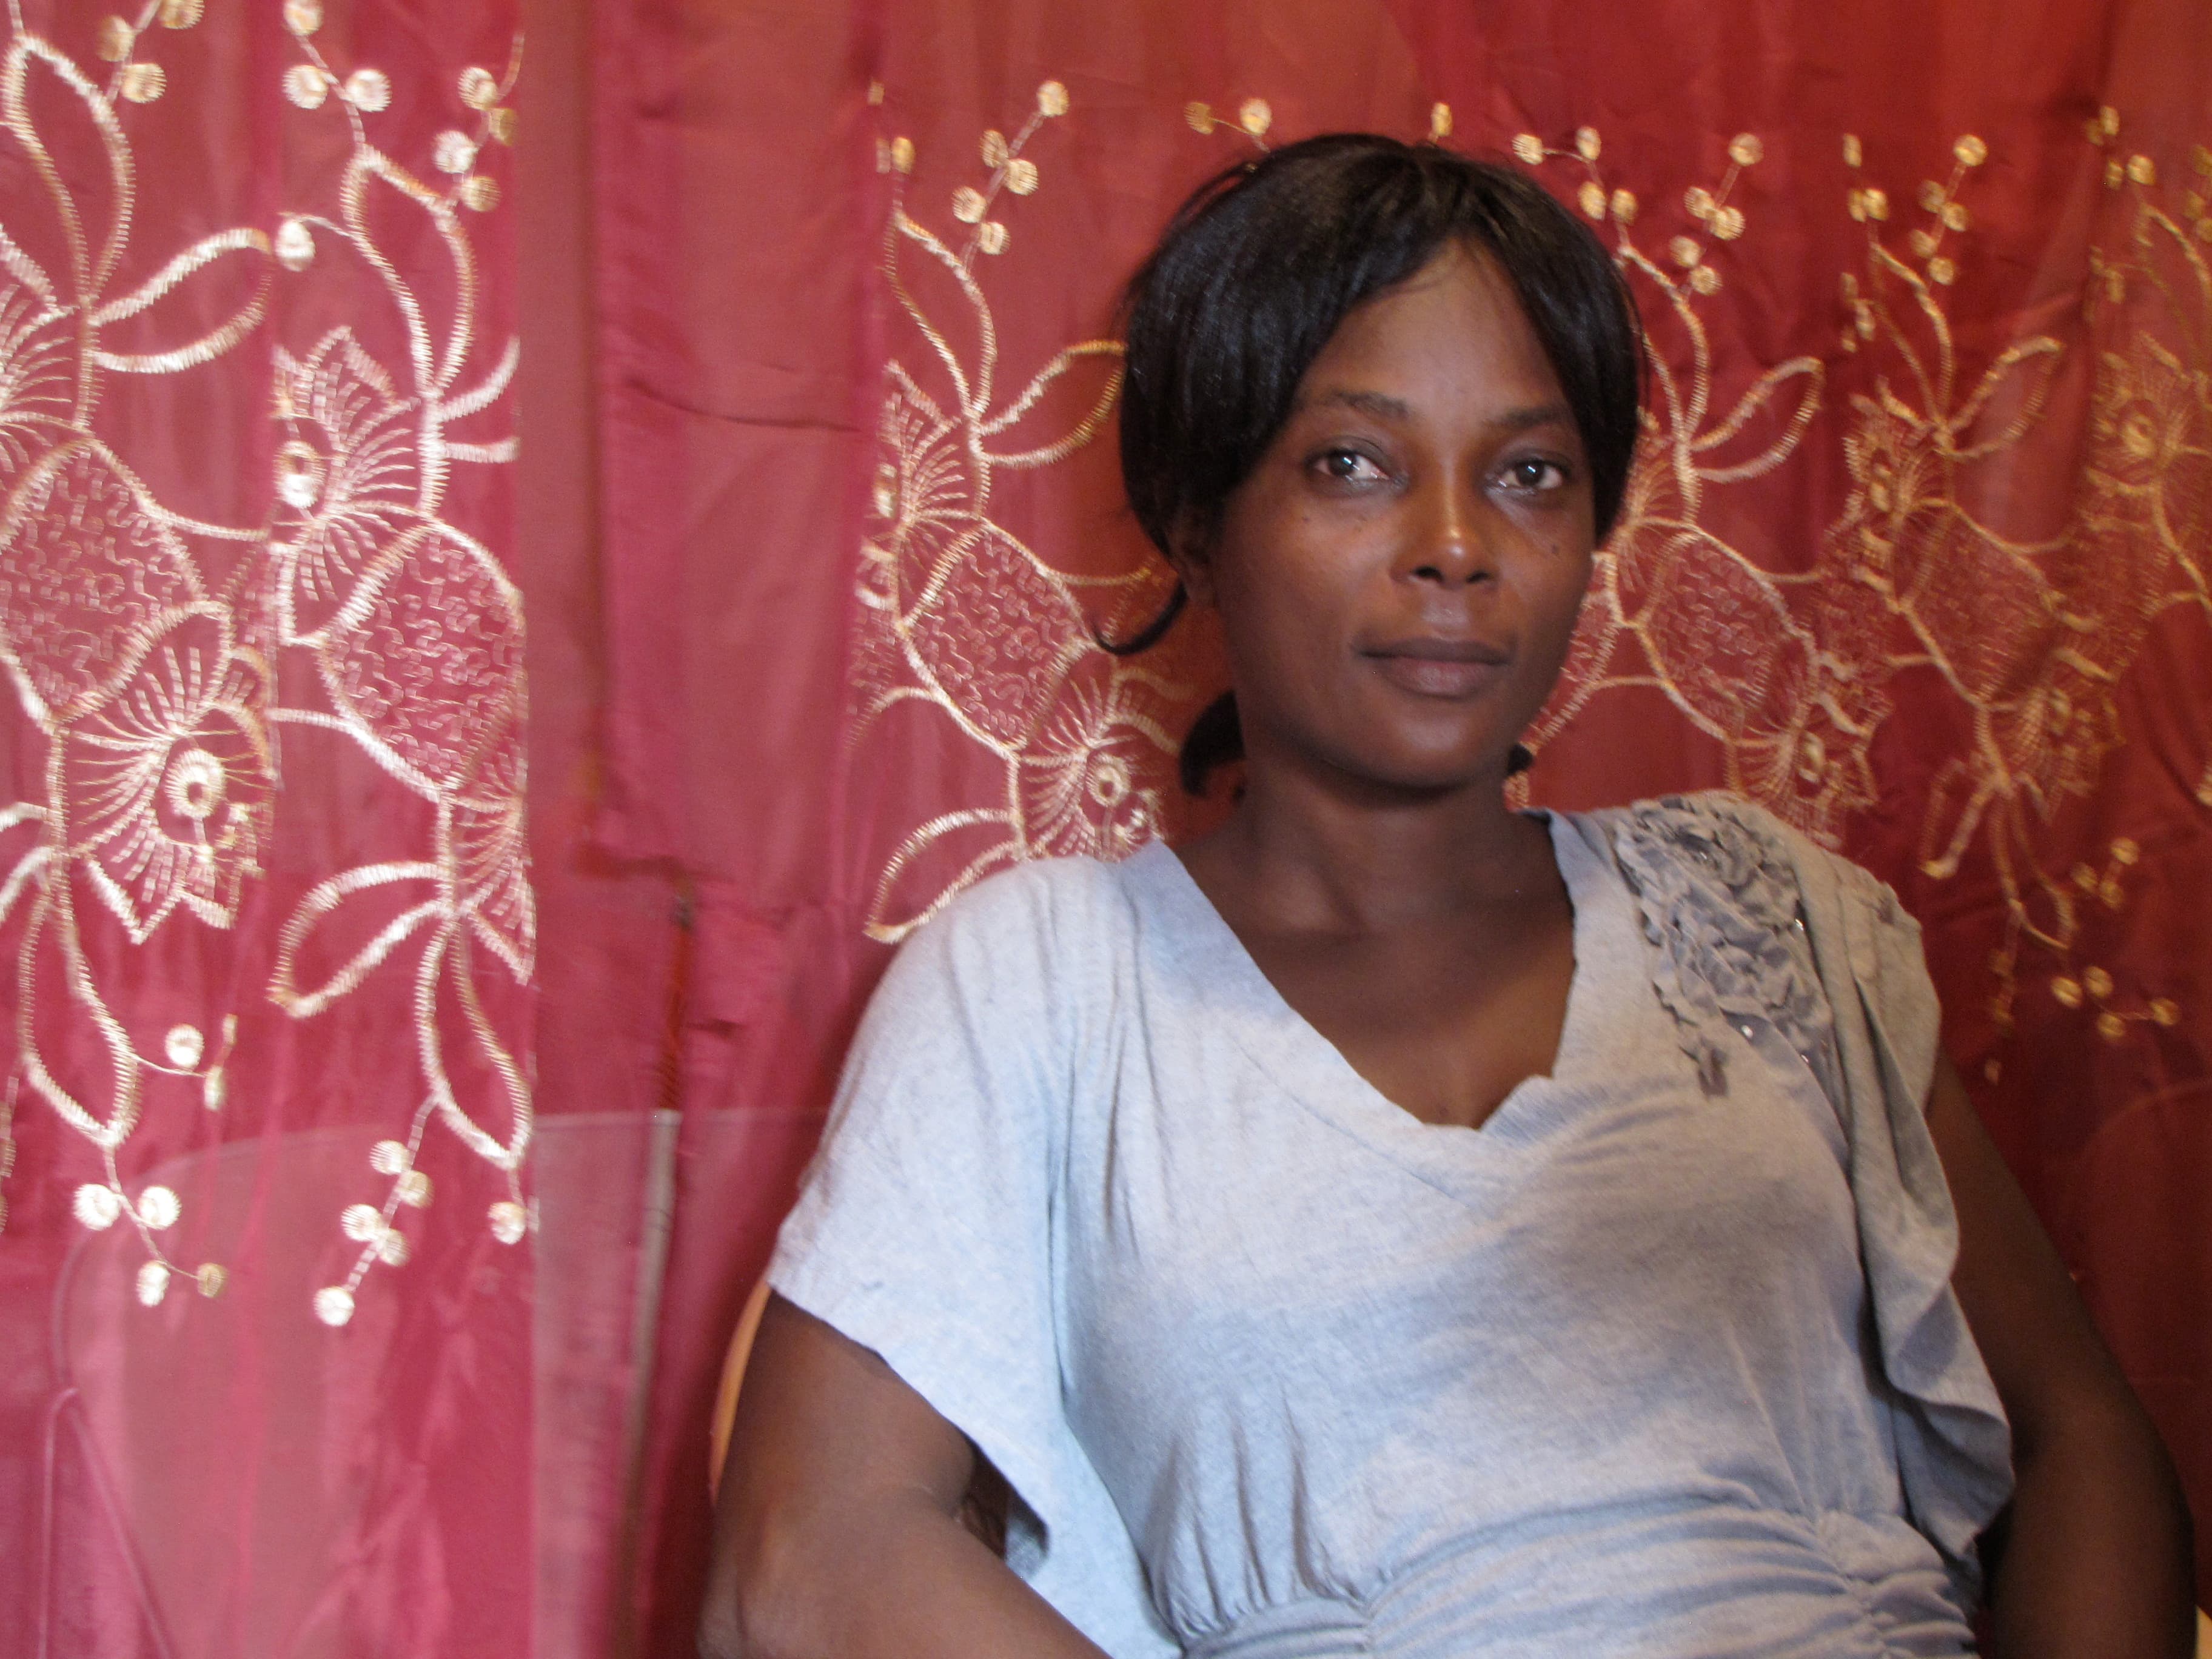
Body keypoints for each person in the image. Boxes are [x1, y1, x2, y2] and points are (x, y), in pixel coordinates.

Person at [699, 135, 2194, 1658]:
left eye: (1530, 474)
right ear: (1199, 515)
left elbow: (2084, 1443)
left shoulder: (1767, 914)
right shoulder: (1043, 983)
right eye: (1354, 463)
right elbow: (805, 1558)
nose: (1458, 548)